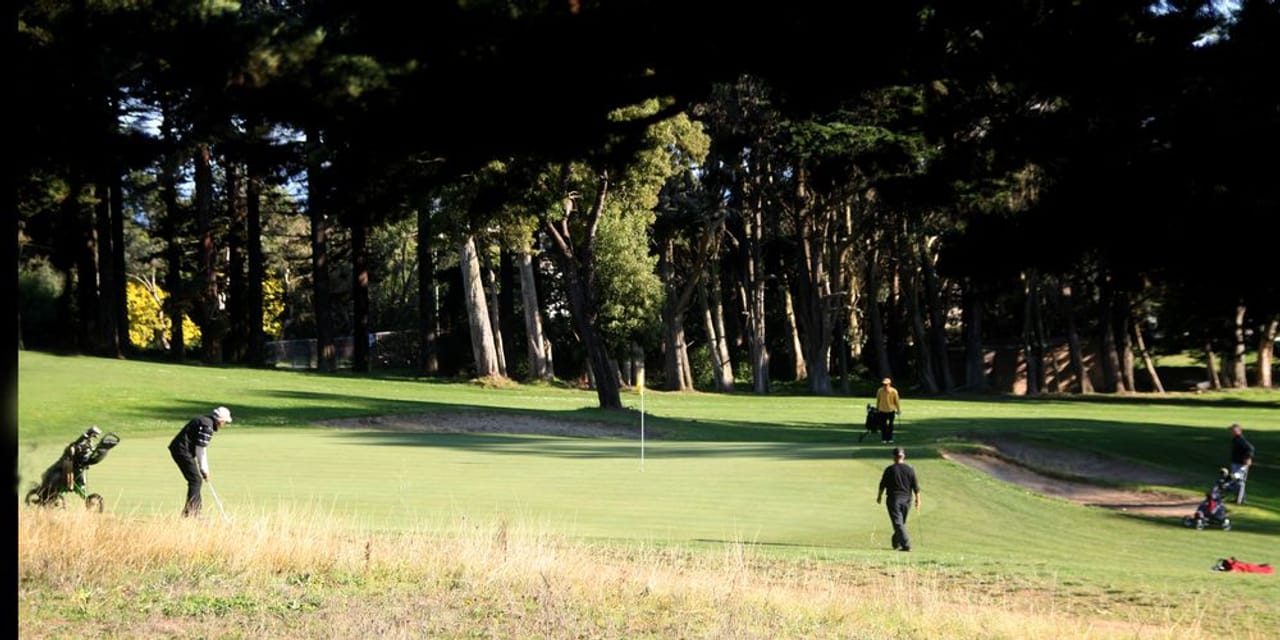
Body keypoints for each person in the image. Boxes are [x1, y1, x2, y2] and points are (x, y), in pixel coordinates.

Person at [169, 406, 232, 517]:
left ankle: (194, 512)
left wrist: (203, 468)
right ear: (220, 420)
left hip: (182, 450)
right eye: (225, 421)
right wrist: (204, 469)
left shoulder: (206, 421)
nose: (225, 424)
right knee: (196, 480)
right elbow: (201, 449)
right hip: (181, 451)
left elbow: (199, 448)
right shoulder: (207, 426)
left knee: (195, 480)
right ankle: (192, 513)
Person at [876, 446, 921, 551]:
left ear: (893, 457)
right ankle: (896, 543)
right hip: (907, 501)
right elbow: (916, 487)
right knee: (900, 523)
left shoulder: (890, 469)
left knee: (898, 523)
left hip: (894, 500)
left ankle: (906, 545)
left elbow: (882, 485)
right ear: (903, 456)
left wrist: (879, 496)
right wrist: (918, 500)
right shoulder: (910, 469)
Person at [1228, 423, 1254, 504]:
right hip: (1236, 463)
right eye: (1232, 430)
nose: (1232, 432)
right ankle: (1240, 499)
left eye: (1234, 430)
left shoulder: (1240, 440)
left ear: (1239, 431)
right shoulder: (1236, 439)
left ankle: (1239, 500)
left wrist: (1248, 458)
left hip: (1240, 464)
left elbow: (1250, 448)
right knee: (1236, 481)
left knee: (1239, 482)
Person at [874, 377, 902, 443]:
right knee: (883, 425)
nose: (885, 386)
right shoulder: (880, 390)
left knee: (890, 425)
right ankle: (884, 438)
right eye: (884, 384)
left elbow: (897, 401)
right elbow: (878, 400)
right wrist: (877, 408)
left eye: (886, 384)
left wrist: (898, 410)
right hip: (882, 410)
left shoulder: (894, 391)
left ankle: (890, 439)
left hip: (891, 410)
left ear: (889, 384)